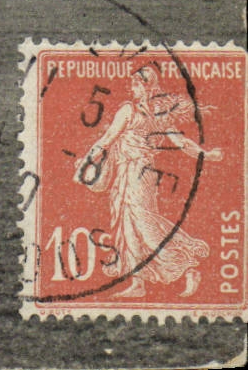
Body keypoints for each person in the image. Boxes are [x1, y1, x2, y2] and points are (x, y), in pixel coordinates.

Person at [76, 64, 224, 298]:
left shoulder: (139, 112)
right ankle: (138, 283)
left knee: (145, 225)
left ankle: (187, 268)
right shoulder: (145, 113)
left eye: (136, 84)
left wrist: (206, 155)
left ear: (147, 87)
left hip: (139, 174)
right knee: (128, 226)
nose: (132, 88)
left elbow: (180, 142)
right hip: (128, 174)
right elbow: (108, 140)